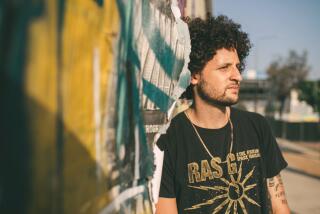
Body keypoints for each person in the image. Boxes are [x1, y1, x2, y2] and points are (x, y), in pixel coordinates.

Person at [155, 15, 290, 214]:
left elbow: (280, 207)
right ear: (194, 75)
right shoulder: (170, 139)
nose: (237, 76)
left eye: (237, 66)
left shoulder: (257, 126)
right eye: (224, 67)